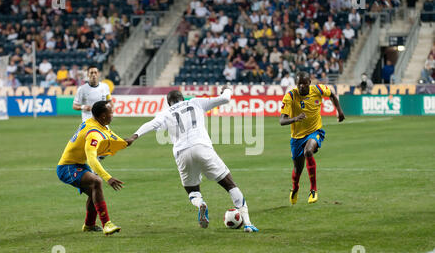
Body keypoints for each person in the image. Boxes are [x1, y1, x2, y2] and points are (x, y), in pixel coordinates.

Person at [126, 87, 259, 232]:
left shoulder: (165, 113)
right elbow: (225, 99)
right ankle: (248, 223)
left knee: (192, 190)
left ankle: (200, 203)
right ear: (182, 98)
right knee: (230, 185)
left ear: (169, 103)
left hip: (182, 153)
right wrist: (226, 90)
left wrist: (134, 136)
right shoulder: (196, 102)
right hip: (202, 147)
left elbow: (151, 124)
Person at [57, 101, 135, 235]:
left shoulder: (95, 122)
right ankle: (107, 224)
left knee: (95, 191)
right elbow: (92, 158)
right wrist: (108, 178)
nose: (113, 114)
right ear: (103, 116)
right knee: (97, 182)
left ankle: (89, 225)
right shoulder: (93, 133)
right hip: (67, 167)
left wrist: (123, 142)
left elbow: (109, 134)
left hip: (78, 164)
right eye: (111, 112)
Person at [279, 71, 345, 205]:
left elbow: (331, 95)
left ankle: (313, 189)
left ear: (309, 83)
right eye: (299, 84)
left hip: (315, 131)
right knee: (298, 170)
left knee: (308, 151)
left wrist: (340, 111)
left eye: (304, 83)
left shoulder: (318, 89)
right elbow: (282, 121)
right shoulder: (290, 96)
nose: (301, 86)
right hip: (297, 137)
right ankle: (295, 188)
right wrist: (295, 118)